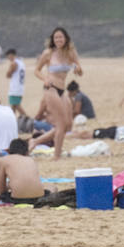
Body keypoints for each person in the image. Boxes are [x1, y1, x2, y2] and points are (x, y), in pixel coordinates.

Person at [34, 27, 82, 160]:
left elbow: (79, 69)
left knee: (67, 124)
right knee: (60, 124)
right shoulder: (48, 53)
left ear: (65, 38)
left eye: (61, 37)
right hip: (51, 88)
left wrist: (78, 69)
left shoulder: (70, 53)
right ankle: (57, 156)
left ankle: (35, 142)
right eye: (56, 38)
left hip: (63, 90)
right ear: (53, 40)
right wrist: (45, 78)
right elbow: (37, 70)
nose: (58, 40)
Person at [0, 139, 43, 203]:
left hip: (17, 199)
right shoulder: (30, 160)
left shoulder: (4, 160)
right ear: (27, 152)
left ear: (9, 150)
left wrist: (8, 187)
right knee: (51, 187)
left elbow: (1, 189)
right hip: (38, 198)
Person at [5, 49, 27, 119]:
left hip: (15, 88)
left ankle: (28, 119)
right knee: (13, 107)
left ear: (11, 55)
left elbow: (8, 75)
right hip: (20, 87)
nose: (8, 58)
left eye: (8, 56)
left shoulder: (14, 63)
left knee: (16, 105)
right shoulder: (21, 62)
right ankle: (12, 121)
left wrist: (9, 71)